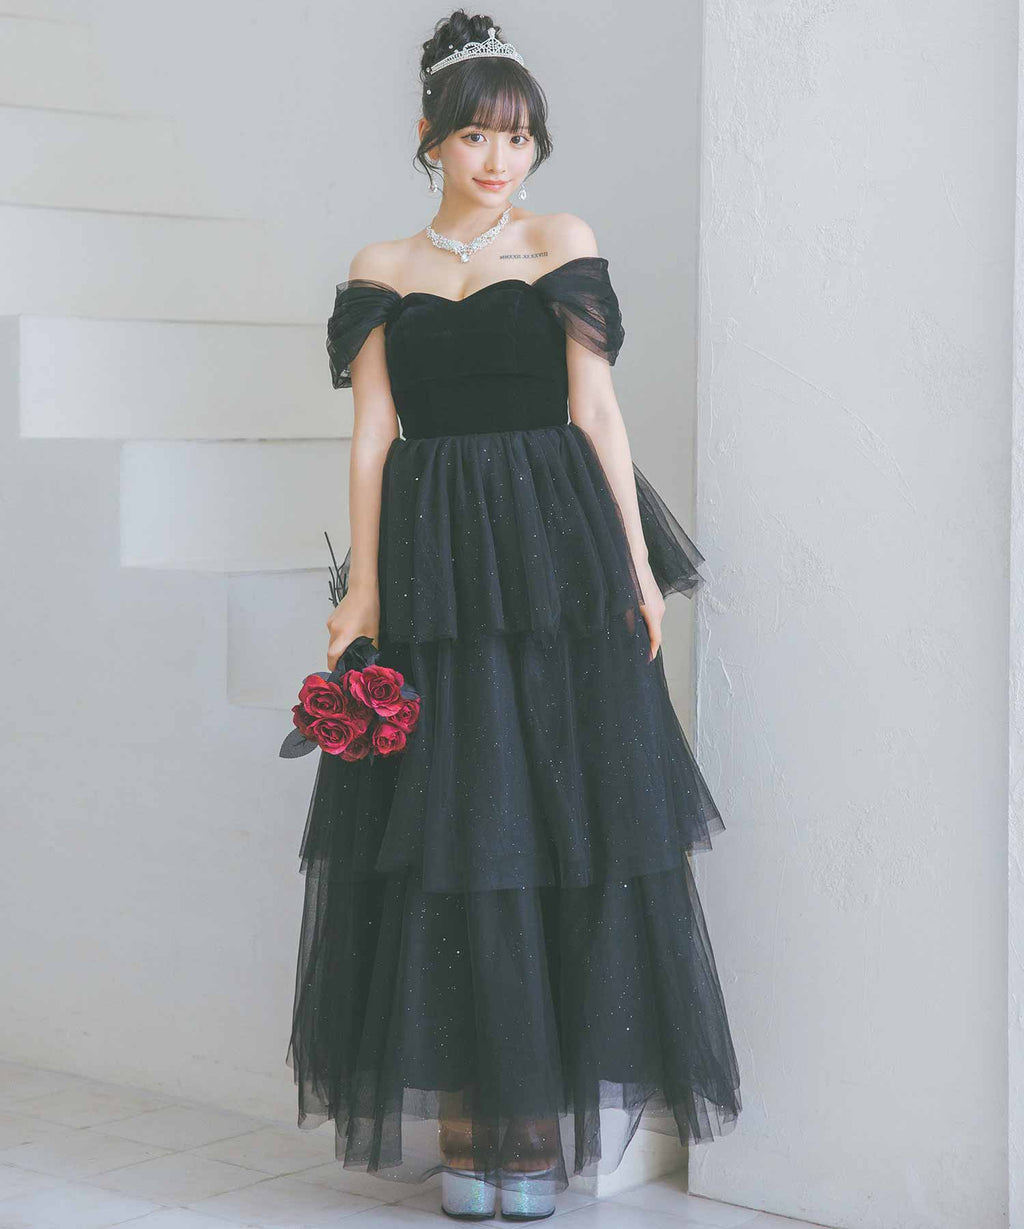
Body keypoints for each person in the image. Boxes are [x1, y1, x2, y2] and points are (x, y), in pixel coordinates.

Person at [285, 10, 741, 1222]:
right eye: (479, 135)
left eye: (520, 137)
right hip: (433, 555)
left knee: (546, 818)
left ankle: (531, 1132)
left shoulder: (559, 240)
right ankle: (471, 1130)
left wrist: (635, 566)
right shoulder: (380, 266)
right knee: (451, 825)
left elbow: (597, 413)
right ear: (430, 136)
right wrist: (364, 588)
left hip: (552, 551)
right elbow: (373, 435)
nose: (501, 159)